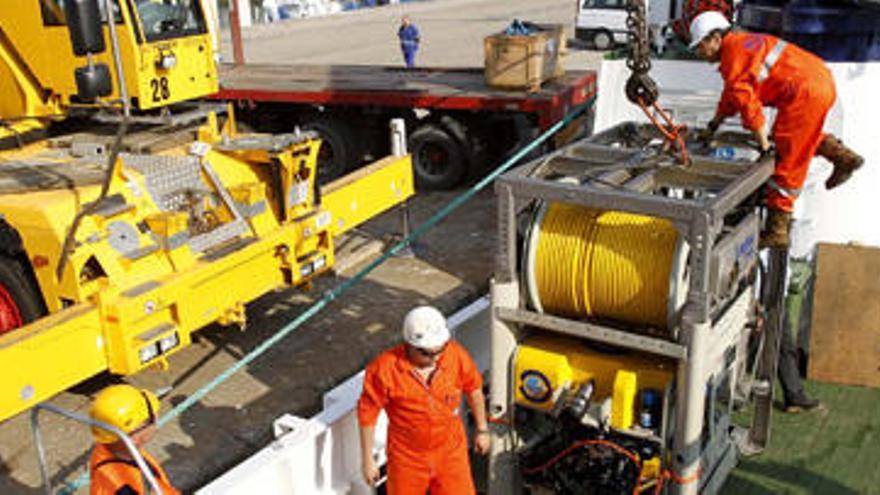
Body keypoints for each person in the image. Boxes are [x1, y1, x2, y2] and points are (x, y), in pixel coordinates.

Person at [690, 11, 864, 249]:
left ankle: (777, 230)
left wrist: (764, 145)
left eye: (700, 46)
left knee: (786, 159)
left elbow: (749, 107)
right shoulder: (742, 46)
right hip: (819, 81)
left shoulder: (734, 56)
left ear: (716, 38)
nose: (699, 53)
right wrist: (713, 126)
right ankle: (843, 157)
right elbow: (732, 97)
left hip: (803, 93)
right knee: (799, 139)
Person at [358, 306, 489, 494]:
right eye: (427, 353)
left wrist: (482, 429)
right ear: (409, 345)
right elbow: (367, 414)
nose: (435, 358)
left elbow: (474, 388)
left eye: (440, 351)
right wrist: (368, 460)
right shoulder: (384, 369)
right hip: (406, 459)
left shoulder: (456, 356)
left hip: (451, 454)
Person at [89, 384, 180, 495]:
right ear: (135, 434)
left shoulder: (108, 450)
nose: (156, 417)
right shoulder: (128, 486)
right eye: (151, 416)